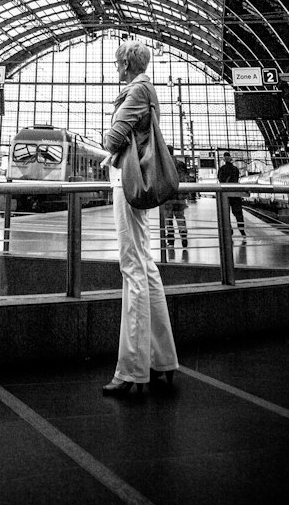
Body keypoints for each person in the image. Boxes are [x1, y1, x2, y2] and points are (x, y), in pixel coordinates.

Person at [98, 39, 179, 396]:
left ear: (127, 65)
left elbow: (112, 138)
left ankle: (132, 370)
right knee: (146, 267)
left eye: (118, 64)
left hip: (128, 185)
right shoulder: (147, 89)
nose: (116, 70)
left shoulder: (136, 90)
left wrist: (107, 140)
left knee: (132, 268)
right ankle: (163, 360)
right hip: (137, 180)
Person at [160, 160, 189, 261]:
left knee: (168, 219)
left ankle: (171, 241)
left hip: (167, 197)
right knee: (180, 216)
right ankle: (183, 233)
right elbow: (185, 179)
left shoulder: (164, 162)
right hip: (179, 196)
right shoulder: (180, 164)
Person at [217, 150, 246, 236]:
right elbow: (236, 179)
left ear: (224, 159)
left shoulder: (221, 169)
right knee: (238, 213)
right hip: (235, 194)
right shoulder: (235, 169)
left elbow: (220, 180)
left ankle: (229, 229)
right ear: (230, 158)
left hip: (225, 194)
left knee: (226, 214)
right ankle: (241, 229)